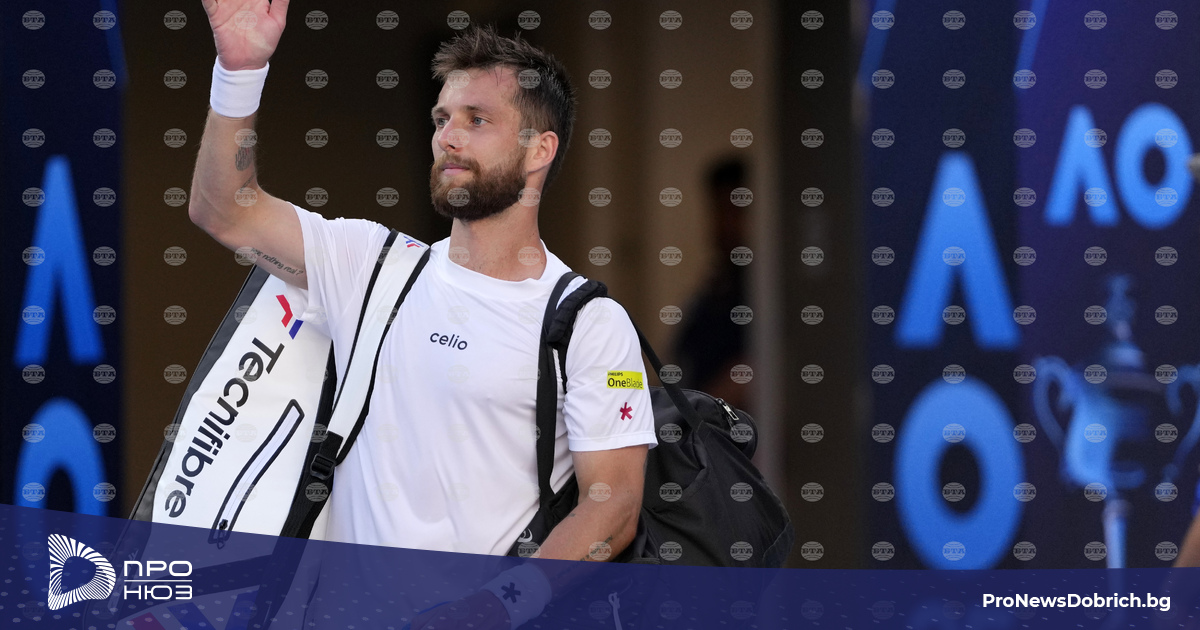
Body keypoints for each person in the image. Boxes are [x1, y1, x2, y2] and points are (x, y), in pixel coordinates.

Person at [191, 1, 657, 627]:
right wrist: (239, 71)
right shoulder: (371, 264)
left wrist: (495, 608)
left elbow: (614, 506)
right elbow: (224, 210)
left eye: (476, 119)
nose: (448, 136)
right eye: (442, 118)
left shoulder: (590, 323)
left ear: (539, 148)